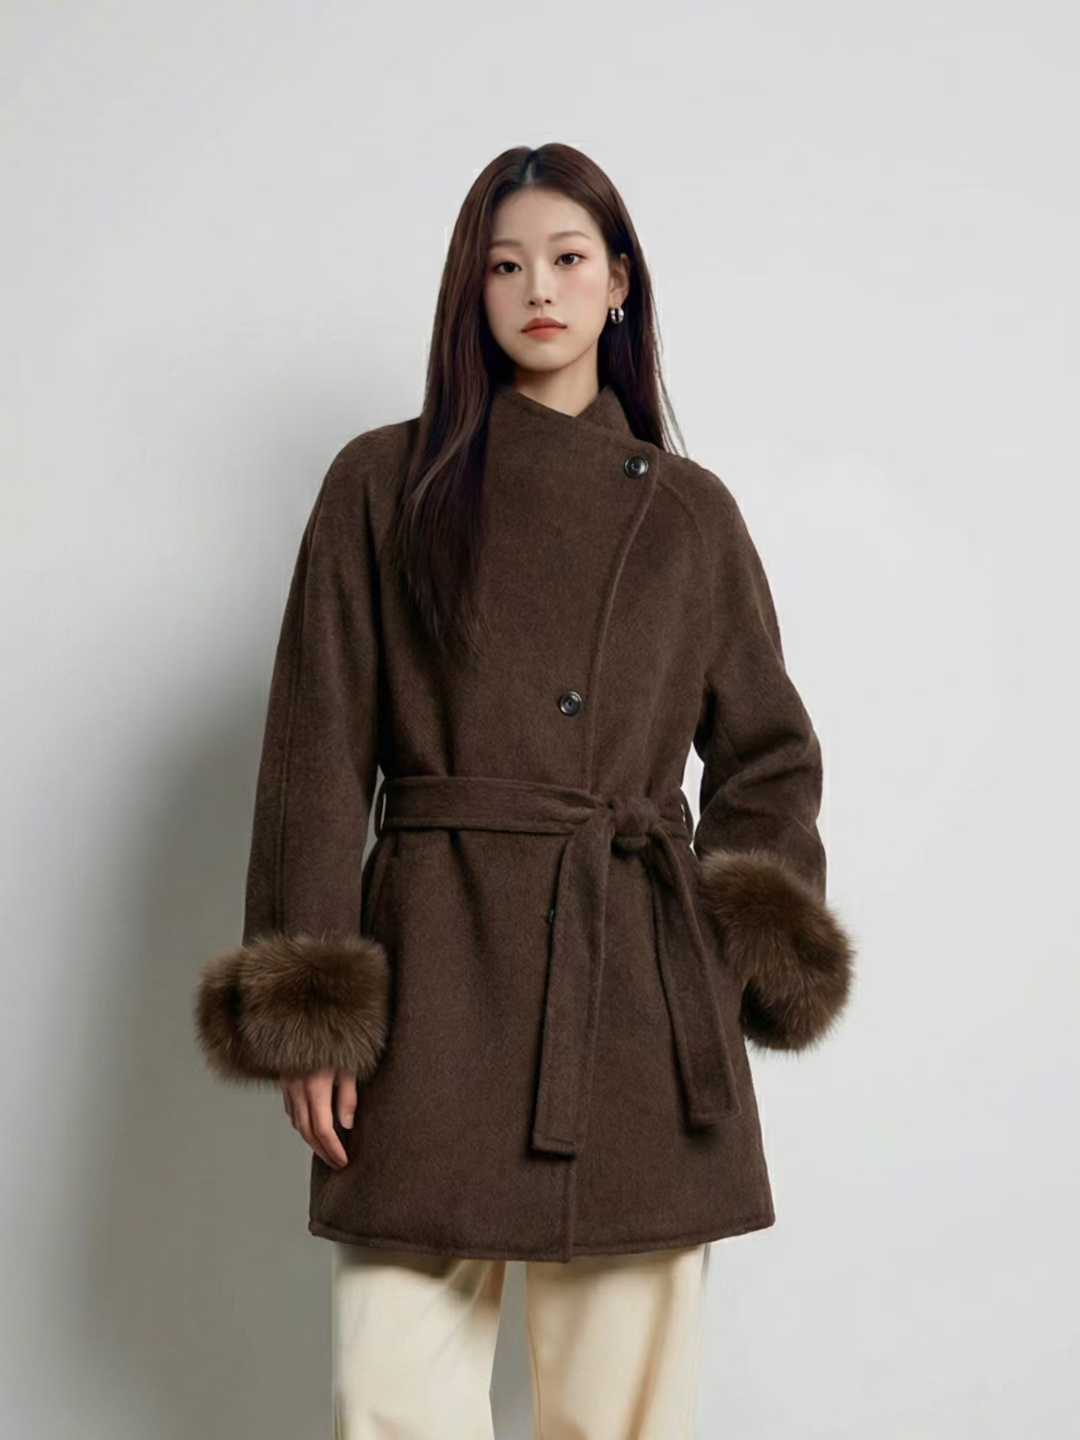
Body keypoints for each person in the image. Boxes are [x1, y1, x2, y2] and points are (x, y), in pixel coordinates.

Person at [194, 142, 855, 1439]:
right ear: (471, 292)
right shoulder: (383, 484)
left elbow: (770, 756)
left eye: (567, 258)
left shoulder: (689, 516)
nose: (538, 290)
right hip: (437, 975)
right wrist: (314, 1009)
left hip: (633, 999)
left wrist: (723, 957)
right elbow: (317, 748)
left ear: (621, 284)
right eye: (504, 267)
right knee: (392, 1396)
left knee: (620, 1415)